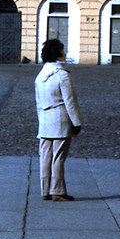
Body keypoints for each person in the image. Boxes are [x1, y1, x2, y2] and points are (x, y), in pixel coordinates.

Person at [34, 38, 82, 201]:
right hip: (60, 119)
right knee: (58, 157)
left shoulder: (40, 76)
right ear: (59, 54)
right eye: (63, 51)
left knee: (45, 156)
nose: (65, 53)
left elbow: (38, 102)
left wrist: (41, 120)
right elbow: (70, 101)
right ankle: (58, 190)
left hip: (45, 119)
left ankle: (45, 190)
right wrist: (76, 122)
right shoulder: (62, 75)